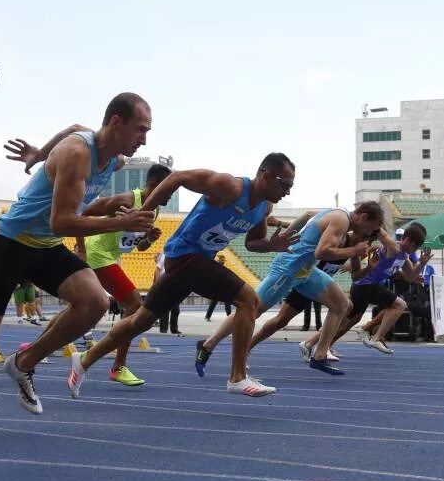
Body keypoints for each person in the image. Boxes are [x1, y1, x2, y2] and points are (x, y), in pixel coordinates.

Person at [0, 93, 154, 437]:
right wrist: (118, 223)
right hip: (10, 242)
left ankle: (23, 363)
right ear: (116, 122)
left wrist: (38, 154)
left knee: (95, 302)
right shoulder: (79, 154)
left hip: (44, 245)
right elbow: (63, 221)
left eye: (147, 131)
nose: (144, 139)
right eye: (140, 130)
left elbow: (75, 126)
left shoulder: (115, 160)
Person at [67, 154, 298, 398]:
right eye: (285, 184)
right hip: (185, 254)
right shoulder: (229, 187)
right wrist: (143, 213)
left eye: (291, 186)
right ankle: (237, 377)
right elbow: (178, 177)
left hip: (195, 263)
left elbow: (253, 243)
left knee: (141, 320)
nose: (287, 192)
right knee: (248, 300)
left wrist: (272, 246)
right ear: (264, 174)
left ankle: (83, 360)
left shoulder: (264, 207)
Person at [198, 203, 382, 376]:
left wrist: (288, 231)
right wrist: (354, 251)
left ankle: (319, 355)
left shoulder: (337, 215)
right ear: (363, 217)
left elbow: (309, 215)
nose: (369, 234)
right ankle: (208, 345)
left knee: (342, 305)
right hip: (289, 268)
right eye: (371, 228)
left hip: (306, 271)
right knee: (252, 309)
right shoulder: (341, 220)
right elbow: (322, 252)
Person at [73, 162, 172, 386]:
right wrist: (80, 248)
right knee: (135, 305)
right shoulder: (126, 200)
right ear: (153, 185)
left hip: (112, 256)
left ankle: (32, 349)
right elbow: (82, 211)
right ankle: (118, 366)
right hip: (97, 253)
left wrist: (149, 239)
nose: (170, 195)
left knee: (78, 310)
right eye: (168, 190)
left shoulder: (153, 210)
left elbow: (140, 247)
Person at [313, 223, 432, 356]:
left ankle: (319, 344)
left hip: (368, 285)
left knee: (348, 320)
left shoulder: (404, 256)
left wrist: (422, 263)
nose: (414, 250)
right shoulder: (393, 248)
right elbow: (383, 236)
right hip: (365, 285)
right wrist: (375, 221)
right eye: (414, 246)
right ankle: (377, 337)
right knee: (399, 305)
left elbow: (410, 276)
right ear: (407, 240)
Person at [152, 251, 183, 336]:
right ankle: (163, 329)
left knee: (176, 309)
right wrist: (158, 283)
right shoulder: (165, 256)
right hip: (165, 284)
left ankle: (174, 329)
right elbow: (158, 269)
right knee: (165, 309)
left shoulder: (180, 257)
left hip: (175, 285)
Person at [203, 255, 234, 320]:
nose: (223, 262)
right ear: (219, 261)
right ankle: (208, 316)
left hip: (223, 289)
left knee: (226, 304)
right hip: (218, 288)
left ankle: (229, 317)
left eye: (223, 261)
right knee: (214, 304)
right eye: (222, 261)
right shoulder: (215, 268)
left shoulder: (223, 269)